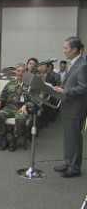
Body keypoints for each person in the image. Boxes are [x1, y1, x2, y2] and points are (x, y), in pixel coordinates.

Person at [53, 36, 87, 178]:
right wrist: (60, 88)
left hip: (76, 109)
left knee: (74, 138)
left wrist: (65, 91)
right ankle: (68, 162)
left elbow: (84, 87)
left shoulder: (83, 65)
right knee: (68, 137)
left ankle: (74, 167)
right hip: (68, 107)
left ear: (74, 50)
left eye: (65, 48)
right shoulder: (73, 63)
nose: (64, 51)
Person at [0, 63, 34, 152]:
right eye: (18, 71)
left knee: (21, 118)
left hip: (20, 109)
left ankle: (14, 139)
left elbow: (34, 100)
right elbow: (2, 96)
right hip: (8, 108)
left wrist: (26, 105)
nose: (20, 73)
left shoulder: (30, 86)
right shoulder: (9, 84)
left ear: (26, 73)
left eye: (22, 71)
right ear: (15, 72)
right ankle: (3, 138)